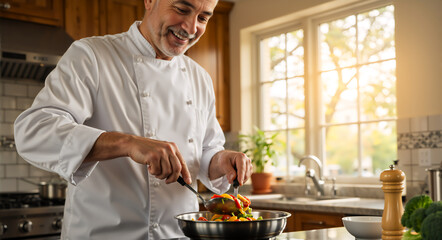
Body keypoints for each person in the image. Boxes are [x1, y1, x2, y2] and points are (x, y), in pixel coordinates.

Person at [14, 0, 252, 239]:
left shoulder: (199, 77)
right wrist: (128, 143)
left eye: (203, 18)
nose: (190, 28)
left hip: (178, 235)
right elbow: (33, 130)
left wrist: (221, 160)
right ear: (149, 1)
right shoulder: (92, 55)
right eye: (181, 10)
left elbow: (203, 150)